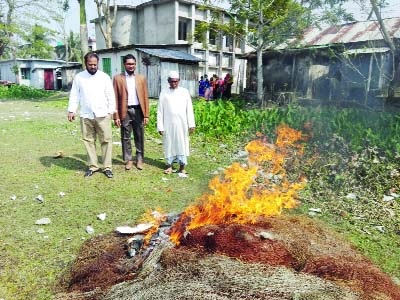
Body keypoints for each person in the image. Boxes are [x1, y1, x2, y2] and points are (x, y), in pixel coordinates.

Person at [67, 52, 116, 178]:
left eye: (95, 64)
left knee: (106, 140)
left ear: (98, 63)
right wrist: (72, 110)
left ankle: (107, 167)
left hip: (102, 114)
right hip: (86, 115)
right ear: (85, 64)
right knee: (88, 141)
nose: (93, 67)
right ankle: (93, 166)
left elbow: (110, 95)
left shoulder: (104, 77)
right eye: (90, 65)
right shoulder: (79, 77)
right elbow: (74, 95)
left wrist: (111, 112)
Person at [113, 54, 149, 170]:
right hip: (125, 110)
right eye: (128, 64)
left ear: (135, 65)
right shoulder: (118, 78)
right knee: (125, 136)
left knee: (139, 136)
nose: (131, 66)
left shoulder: (141, 78)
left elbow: (145, 97)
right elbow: (115, 98)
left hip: (139, 110)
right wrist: (116, 116)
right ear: (124, 64)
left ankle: (139, 159)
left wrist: (146, 115)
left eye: (133, 64)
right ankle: (128, 159)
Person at [157, 71, 195, 174]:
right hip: (168, 125)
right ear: (168, 81)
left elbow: (189, 109)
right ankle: (169, 166)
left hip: (182, 124)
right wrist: (160, 126)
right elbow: (160, 110)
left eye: (176, 81)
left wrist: (191, 124)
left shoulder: (184, 92)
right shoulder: (164, 92)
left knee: (182, 144)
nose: (174, 83)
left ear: (179, 81)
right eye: (171, 81)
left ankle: (182, 167)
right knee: (169, 144)